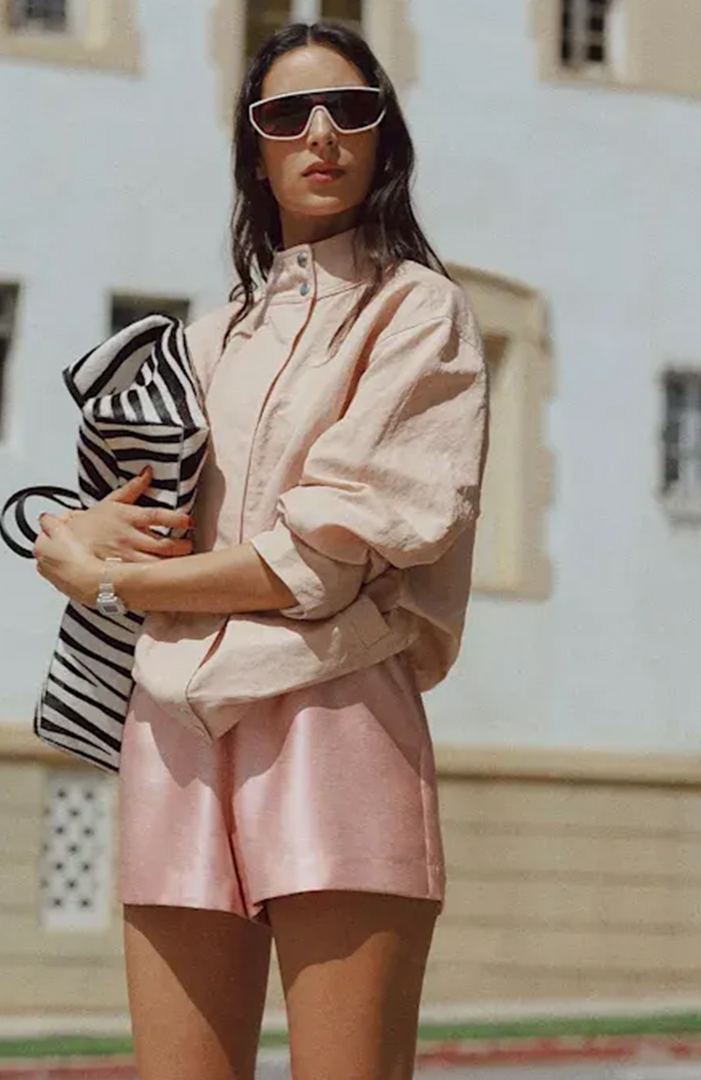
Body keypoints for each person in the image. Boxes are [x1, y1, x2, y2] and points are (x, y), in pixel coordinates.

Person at [31, 20, 487, 1080]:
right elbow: (121, 499)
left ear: (384, 137)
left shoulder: (420, 314)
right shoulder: (204, 338)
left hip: (335, 724)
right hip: (175, 730)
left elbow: (322, 560)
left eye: (351, 110)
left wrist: (114, 579)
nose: (321, 134)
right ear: (255, 149)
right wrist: (76, 529)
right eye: (287, 115)